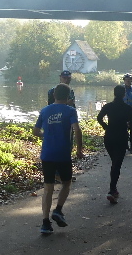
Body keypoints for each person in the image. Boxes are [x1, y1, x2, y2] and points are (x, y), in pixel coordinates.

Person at [33, 83, 83, 235]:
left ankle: (45, 223)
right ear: (68, 97)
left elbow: (35, 131)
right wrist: (79, 149)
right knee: (66, 183)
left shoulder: (45, 110)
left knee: (48, 188)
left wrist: (46, 135)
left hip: (47, 154)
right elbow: (77, 130)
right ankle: (58, 210)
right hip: (63, 154)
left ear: (54, 95)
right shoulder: (70, 111)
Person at [97, 85, 132, 204]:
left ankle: (113, 190)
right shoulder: (128, 108)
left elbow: (99, 118)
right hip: (121, 137)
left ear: (114, 93)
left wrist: (106, 127)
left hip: (109, 137)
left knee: (114, 162)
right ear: (124, 94)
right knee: (116, 165)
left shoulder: (108, 106)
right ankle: (112, 190)